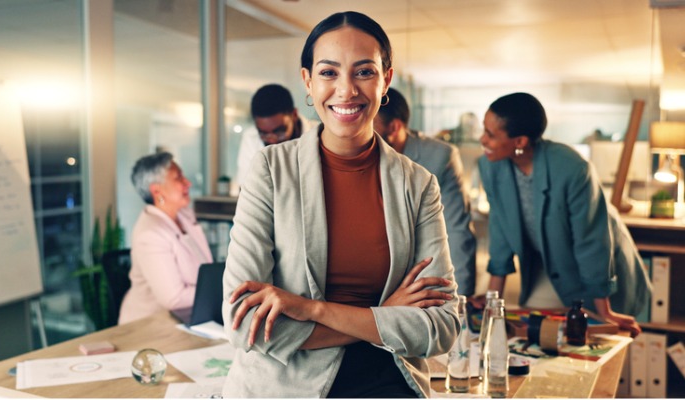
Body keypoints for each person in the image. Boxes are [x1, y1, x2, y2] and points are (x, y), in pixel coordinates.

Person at [222, 11, 460, 398]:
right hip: (285, 386)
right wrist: (384, 316)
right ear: (308, 82)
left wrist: (312, 309)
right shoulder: (270, 169)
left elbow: (441, 327)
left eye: (364, 72)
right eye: (329, 73)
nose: (346, 90)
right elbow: (243, 321)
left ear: (386, 80)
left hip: (389, 381)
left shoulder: (418, 185)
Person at [476, 92, 651, 336]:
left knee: (594, 333)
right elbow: (500, 228)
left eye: (491, 135)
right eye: (484, 130)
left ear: (519, 142)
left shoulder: (572, 169)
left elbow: (591, 241)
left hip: (595, 267)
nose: (482, 139)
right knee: (539, 336)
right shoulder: (489, 166)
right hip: (544, 263)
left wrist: (605, 312)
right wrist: (492, 300)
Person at [374, 87, 477, 297]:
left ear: (393, 127)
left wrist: (459, 301)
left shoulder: (440, 157)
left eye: (368, 123)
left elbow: (457, 232)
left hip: (419, 279)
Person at [118, 152, 213, 325]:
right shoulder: (150, 234)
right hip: (150, 326)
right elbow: (173, 298)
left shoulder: (184, 214)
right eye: (178, 178)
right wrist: (222, 288)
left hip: (190, 318)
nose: (188, 183)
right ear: (157, 190)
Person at [235, 83, 319, 188]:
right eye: (264, 133)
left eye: (279, 131)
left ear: (294, 115)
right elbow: (245, 187)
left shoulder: (319, 134)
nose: (272, 140)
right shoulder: (251, 137)